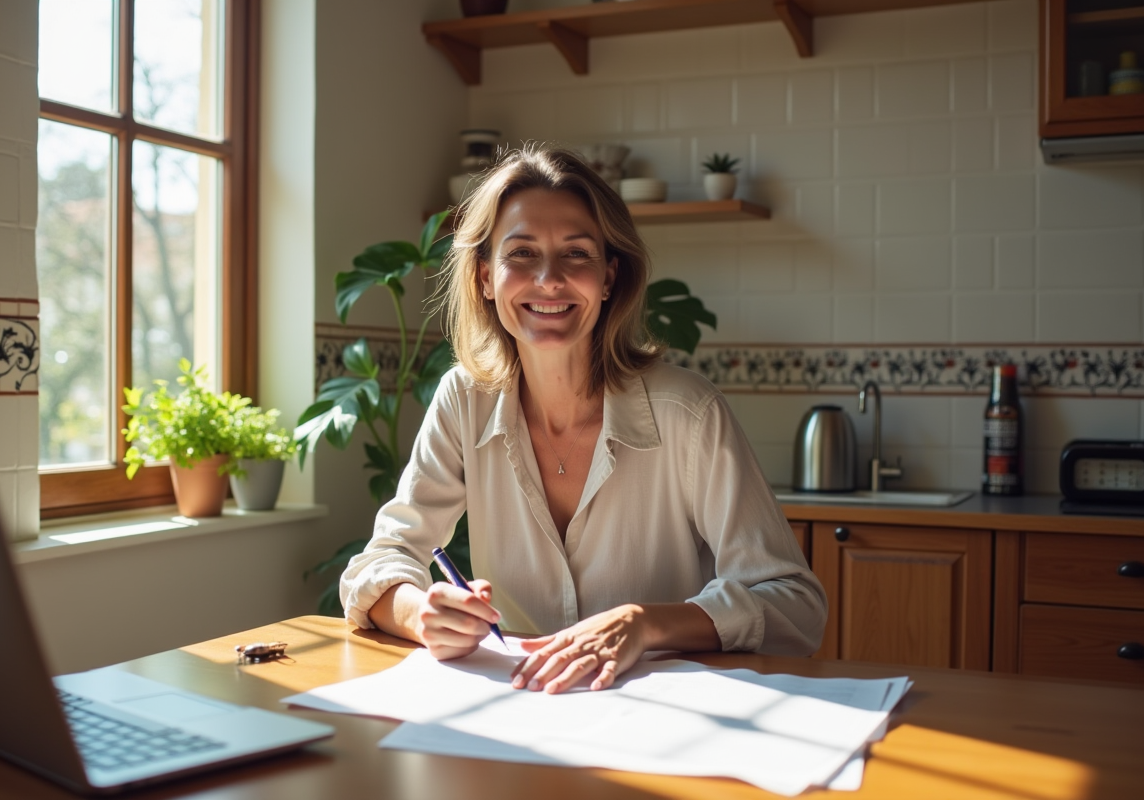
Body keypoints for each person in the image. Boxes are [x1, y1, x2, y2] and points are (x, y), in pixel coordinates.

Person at [340, 145, 826, 695]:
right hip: (517, 713)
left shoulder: (690, 413)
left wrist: (644, 622)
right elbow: (378, 563)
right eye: (521, 254)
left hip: (661, 722)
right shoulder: (463, 400)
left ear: (610, 276)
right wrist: (419, 612)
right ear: (483, 277)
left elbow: (796, 605)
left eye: (577, 255)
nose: (549, 279)